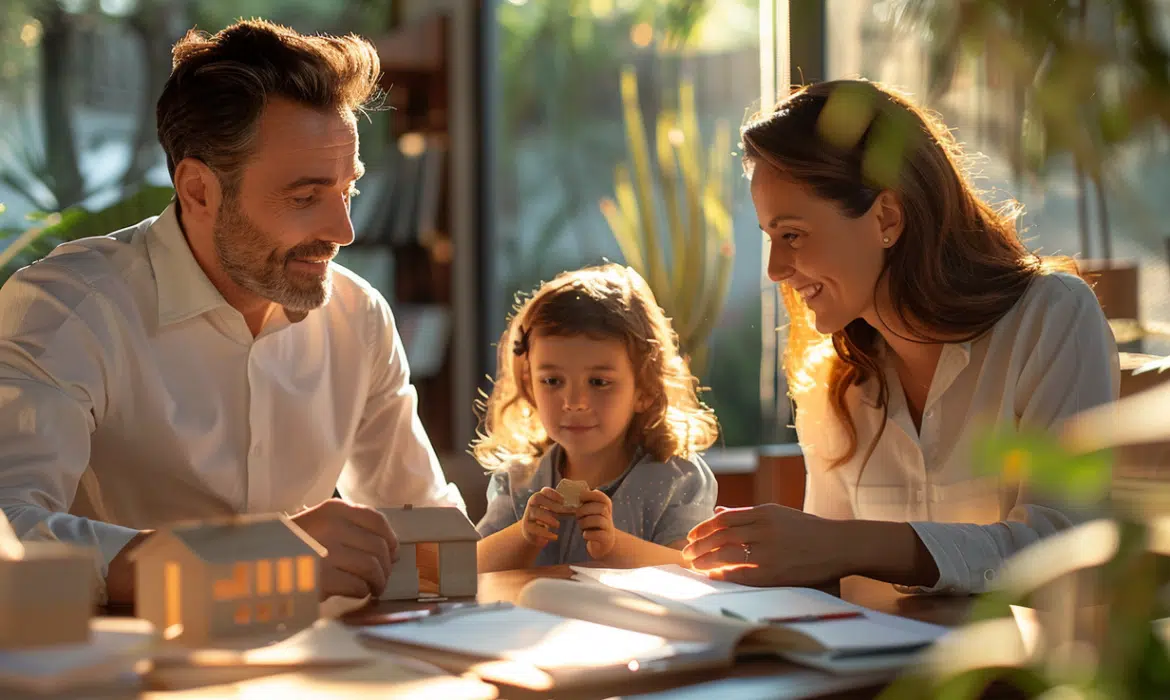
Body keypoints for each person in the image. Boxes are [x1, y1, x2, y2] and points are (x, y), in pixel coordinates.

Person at [0, 19, 465, 605]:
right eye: (304, 197)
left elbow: (429, 533)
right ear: (198, 190)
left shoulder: (358, 316)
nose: (342, 231)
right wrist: (257, 559)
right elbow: (8, 533)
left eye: (347, 191)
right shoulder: (70, 310)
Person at [684, 80, 1119, 594]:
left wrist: (847, 544)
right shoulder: (830, 377)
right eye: (770, 239)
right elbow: (821, 577)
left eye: (792, 235)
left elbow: (1062, 548)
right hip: (869, 671)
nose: (777, 269)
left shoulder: (1051, 317)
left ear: (886, 217)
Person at [474, 264, 720, 571]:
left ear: (643, 389)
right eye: (552, 381)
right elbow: (471, 569)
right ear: (529, 385)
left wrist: (615, 547)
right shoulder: (518, 482)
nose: (574, 403)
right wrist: (522, 537)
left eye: (598, 382)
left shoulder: (676, 478)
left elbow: (692, 570)